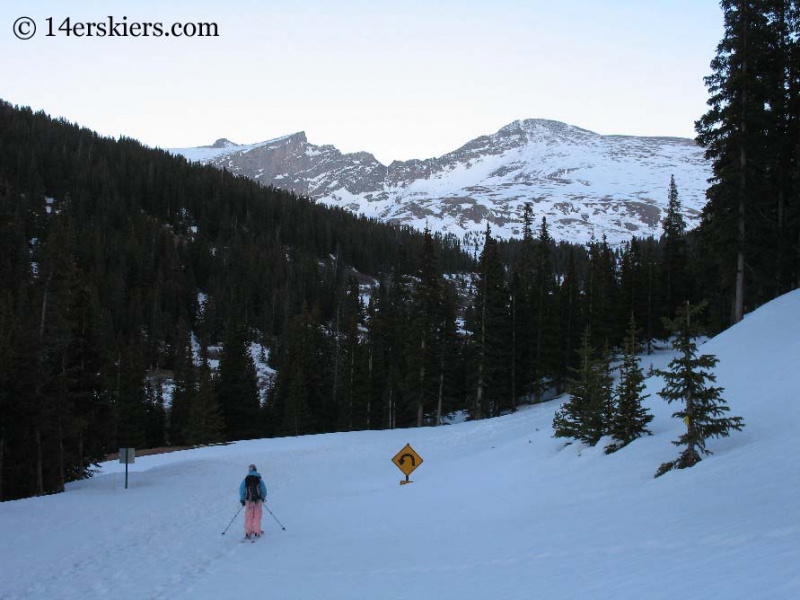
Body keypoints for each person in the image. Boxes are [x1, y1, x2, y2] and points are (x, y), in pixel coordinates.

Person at [239, 464, 267, 540]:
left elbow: (241, 489)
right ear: (255, 470)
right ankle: (257, 532)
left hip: (249, 500)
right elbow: (264, 490)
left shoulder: (246, 479)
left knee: (248, 517)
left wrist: (242, 499)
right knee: (257, 516)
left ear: (249, 470)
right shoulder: (259, 479)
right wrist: (263, 497)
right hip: (258, 500)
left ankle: (248, 533)